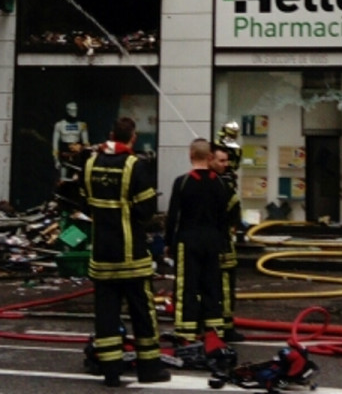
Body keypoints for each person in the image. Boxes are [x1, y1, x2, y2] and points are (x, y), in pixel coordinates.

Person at [81, 117, 170, 387]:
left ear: (110, 135)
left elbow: (86, 206)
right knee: (142, 312)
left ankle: (110, 372)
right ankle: (149, 368)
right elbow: (146, 210)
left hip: (102, 254)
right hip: (131, 255)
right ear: (132, 137)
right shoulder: (135, 166)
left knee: (106, 315)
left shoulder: (90, 164)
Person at [165, 138, 229, 353]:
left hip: (188, 239)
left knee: (187, 287)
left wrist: (168, 242)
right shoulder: (219, 183)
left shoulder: (182, 182)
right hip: (212, 240)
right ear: (210, 157)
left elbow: (173, 216)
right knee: (212, 285)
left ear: (191, 154)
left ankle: (185, 332)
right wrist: (223, 244)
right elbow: (224, 218)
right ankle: (213, 331)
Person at [210, 142, 245, 342]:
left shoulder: (216, 181)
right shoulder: (220, 185)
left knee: (225, 287)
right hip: (221, 244)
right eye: (222, 160)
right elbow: (232, 211)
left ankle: (222, 326)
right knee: (223, 287)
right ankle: (224, 328)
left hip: (220, 242)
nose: (226, 164)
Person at [52, 102, 90, 180]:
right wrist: (56, 159)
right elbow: (55, 143)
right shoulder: (59, 125)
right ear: (67, 111)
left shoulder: (82, 125)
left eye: (75, 110)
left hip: (77, 155)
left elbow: (86, 143)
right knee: (63, 178)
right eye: (72, 110)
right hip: (65, 154)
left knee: (76, 179)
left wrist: (86, 159)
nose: (74, 112)